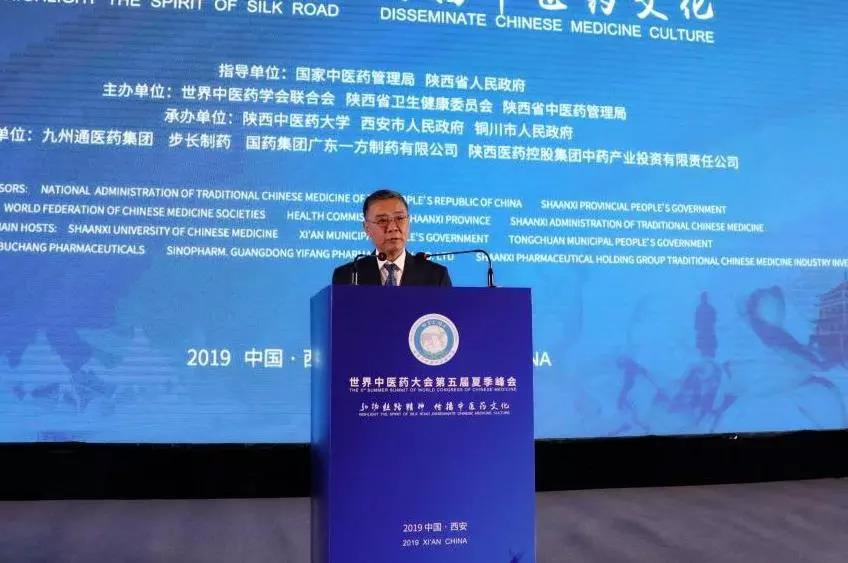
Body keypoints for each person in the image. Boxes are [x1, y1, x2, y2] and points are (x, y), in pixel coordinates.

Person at [332, 189, 452, 286]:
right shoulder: (347, 275)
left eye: (399, 218)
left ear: (408, 222)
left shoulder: (436, 276)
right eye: (382, 220)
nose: (392, 227)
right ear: (366, 228)